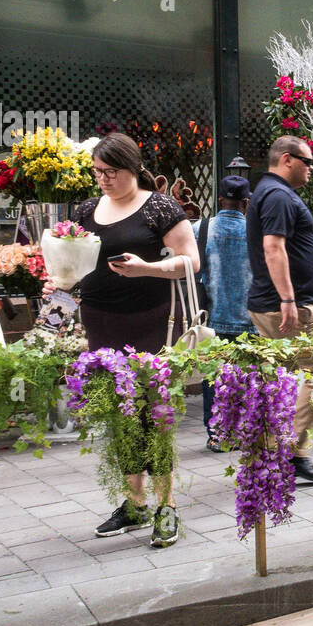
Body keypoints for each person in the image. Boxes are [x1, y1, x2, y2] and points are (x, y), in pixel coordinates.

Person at [67, 132, 200, 547]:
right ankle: (134, 501)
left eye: (112, 172)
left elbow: (192, 262)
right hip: (101, 320)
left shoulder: (159, 207)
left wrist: (149, 268)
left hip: (151, 320)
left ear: (132, 168)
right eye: (98, 172)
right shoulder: (87, 208)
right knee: (121, 412)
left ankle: (167, 506)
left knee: (153, 413)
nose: (103, 179)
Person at [246, 136, 313, 486]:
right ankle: (285, 452)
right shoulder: (278, 195)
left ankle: (289, 453)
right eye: (307, 161)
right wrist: (289, 299)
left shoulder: (270, 192)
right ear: (286, 159)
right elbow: (273, 247)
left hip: (288, 302)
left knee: (293, 379)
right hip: (287, 306)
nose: (312, 168)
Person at [195, 175, 256, 452]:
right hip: (250, 320)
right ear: (246, 202)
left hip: (212, 317)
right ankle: (245, 431)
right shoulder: (258, 231)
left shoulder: (200, 229)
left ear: (219, 199)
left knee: (214, 377)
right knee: (248, 377)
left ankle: (218, 435)